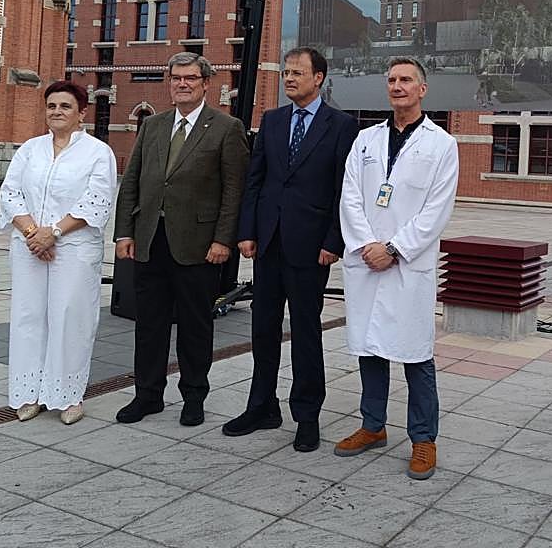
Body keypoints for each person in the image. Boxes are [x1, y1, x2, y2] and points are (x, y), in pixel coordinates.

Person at [223, 48, 359, 453]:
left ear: (319, 78)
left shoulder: (342, 126)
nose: (289, 78)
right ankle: (262, 405)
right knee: (263, 328)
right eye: (286, 72)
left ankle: (307, 415)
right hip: (268, 243)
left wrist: (332, 242)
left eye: (298, 72)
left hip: (310, 247)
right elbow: (256, 180)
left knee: (305, 331)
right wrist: (247, 232)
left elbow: (343, 191)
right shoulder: (273, 120)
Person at [335, 57, 459, 481]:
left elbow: (436, 211)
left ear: (422, 89)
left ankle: (424, 439)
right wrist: (368, 245)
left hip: (408, 264)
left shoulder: (441, 144)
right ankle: (373, 426)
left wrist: (394, 248)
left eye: (406, 80)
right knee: (370, 347)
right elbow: (349, 195)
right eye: (391, 80)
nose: (397, 86)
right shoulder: (366, 139)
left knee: (414, 352)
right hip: (367, 260)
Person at [113, 53, 249, 427]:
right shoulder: (153, 126)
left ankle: (193, 396)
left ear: (206, 84)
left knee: (195, 327)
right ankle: (148, 395)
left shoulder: (226, 127)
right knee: (150, 325)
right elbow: (132, 184)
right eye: (176, 78)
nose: (182, 84)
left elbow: (233, 191)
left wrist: (223, 240)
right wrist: (124, 232)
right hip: (149, 242)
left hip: (199, 247)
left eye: (190, 78)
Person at [0, 81, 116, 426]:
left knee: (69, 317)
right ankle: (28, 393)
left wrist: (55, 233)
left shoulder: (97, 152)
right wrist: (35, 234)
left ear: (82, 112)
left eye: (65, 106)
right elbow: (11, 192)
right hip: (29, 246)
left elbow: (96, 200)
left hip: (74, 248)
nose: (57, 112)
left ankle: (67, 395)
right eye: (51, 106)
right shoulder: (30, 150)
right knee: (28, 316)